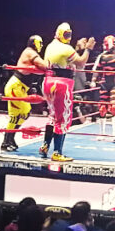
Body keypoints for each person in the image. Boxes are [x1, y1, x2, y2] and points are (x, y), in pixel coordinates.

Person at [39, 23, 95, 162]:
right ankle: (57, 152)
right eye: (66, 34)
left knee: (52, 115)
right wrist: (88, 49)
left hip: (48, 82)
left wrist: (77, 50)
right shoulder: (65, 48)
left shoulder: (51, 45)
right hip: (61, 84)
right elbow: (81, 62)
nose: (68, 37)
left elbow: (66, 59)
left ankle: (45, 145)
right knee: (63, 119)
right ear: (60, 34)